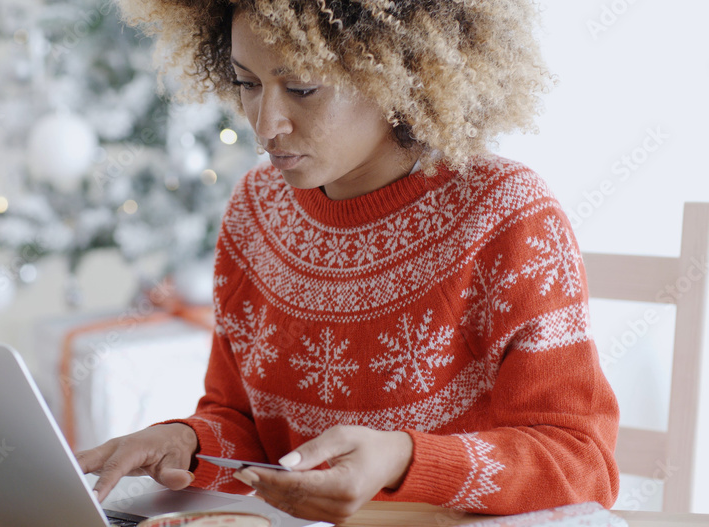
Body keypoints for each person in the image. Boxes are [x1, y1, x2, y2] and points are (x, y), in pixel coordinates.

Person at [75, 0, 620, 523]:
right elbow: (243, 426)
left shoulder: (505, 214)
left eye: (303, 88)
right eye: (247, 83)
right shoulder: (256, 210)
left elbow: (583, 462)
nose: (266, 126)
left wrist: (403, 459)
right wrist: (187, 442)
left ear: (399, 73)